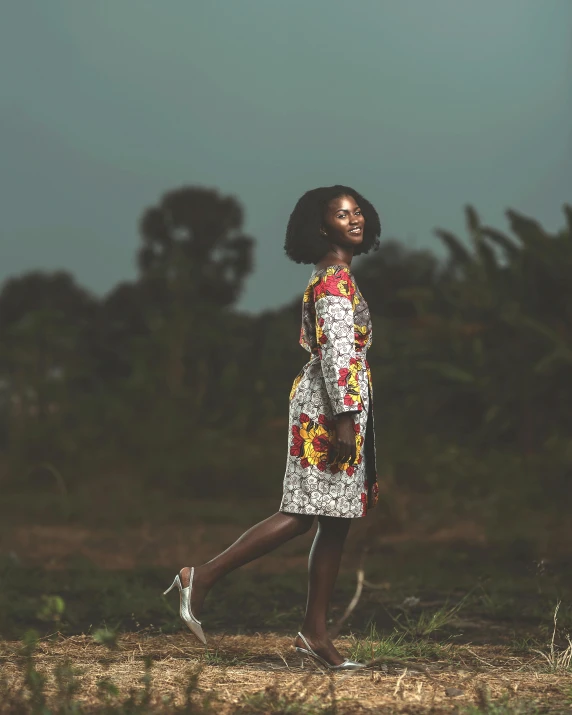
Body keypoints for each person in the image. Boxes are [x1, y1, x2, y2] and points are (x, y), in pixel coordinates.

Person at [163, 184, 381, 670]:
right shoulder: (332, 282)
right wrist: (345, 421)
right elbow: (337, 353)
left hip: (339, 404)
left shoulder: (337, 275)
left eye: (358, 211)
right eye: (343, 214)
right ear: (322, 226)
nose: (355, 218)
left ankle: (313, 634)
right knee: (304, 512)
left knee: (337, 521)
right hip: (329, 409)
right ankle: (201, 576)